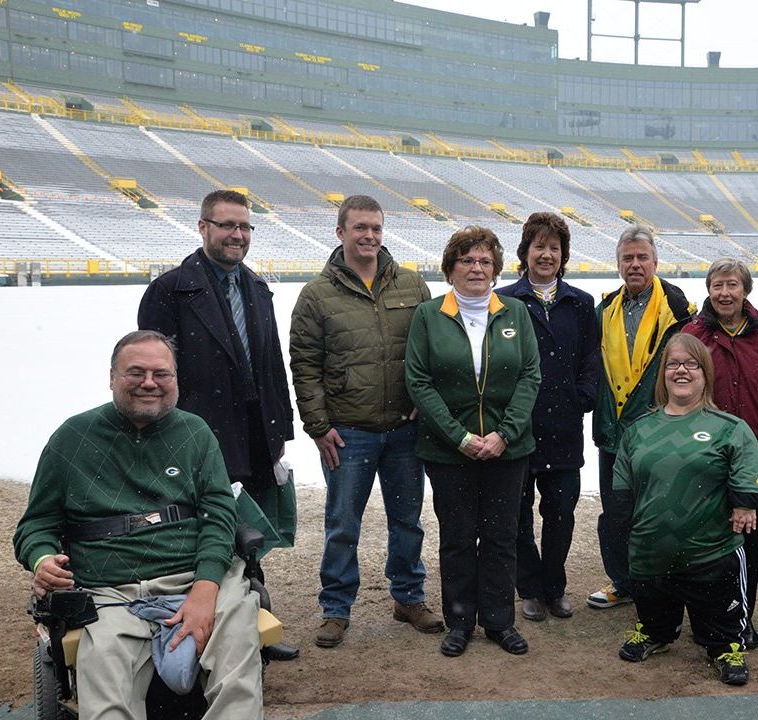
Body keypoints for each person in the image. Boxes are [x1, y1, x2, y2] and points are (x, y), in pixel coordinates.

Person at [13, 330, 263, 719]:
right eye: (136, 373)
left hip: (196, 576)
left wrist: (205, 588)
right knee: (107, 691)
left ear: (176, 379)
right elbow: (37, 524)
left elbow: (219, 516)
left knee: (236, 670)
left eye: (161, 374)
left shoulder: (195, 433)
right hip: (109, 590)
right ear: (112, 377)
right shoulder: (72, 438)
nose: (150, 383)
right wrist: (42, 558)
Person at [138, 189, 298, 660]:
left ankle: (249, 628)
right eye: (227, 225)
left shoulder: (257, 288)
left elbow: (272, 364)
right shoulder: (169, 291)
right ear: (203, 227)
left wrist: (279, 434)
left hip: (253, 435)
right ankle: (198, 633)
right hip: (196, 437)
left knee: (249, 537)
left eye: (245, 227)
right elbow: (154, 374)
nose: (238, 235)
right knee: (203, 534)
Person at [289, 195, 443, 648]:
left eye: (375, 228)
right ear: (340, 233)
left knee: (408, 519)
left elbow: (429, 350)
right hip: (348, 432)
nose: (369, 236)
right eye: (360, 228)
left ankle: (409, 597)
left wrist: (422, 399)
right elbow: (305, 365)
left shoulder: (412, 286)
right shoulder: (317, 295)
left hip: (403, 430)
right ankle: (335, 609)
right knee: (342, 523)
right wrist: (318, 426)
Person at [405, 226, 541, 657]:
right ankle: (460, 621)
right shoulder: (429, 315)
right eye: (466, 260)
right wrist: (460, 437)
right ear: (450, 269)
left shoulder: (516, 312)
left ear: (497, 270)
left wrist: (504, 433)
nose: (476, 268)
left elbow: (530, 375)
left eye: (484, 261)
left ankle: (500, 622)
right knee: (459, 536)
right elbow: (419, 380)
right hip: (448, 451)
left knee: (502, 536)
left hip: (509, 449)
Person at [611, 334, 758, 686]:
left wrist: (745, 502)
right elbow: (622, 481)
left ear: (705, 373)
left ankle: (726, 647)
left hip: (710, 550)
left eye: (691, 364)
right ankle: (655, 634)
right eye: (673, 364)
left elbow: (747, 468)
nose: (682, 371)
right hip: (651, 550)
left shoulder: (728, 428)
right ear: (662, 374)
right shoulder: (638, 430)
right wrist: (623, 520)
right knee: (653, 602)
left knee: (719, 612)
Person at [682, 257, 758, 649]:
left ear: (745, 290)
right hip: (706, 455)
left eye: (732, 285)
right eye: (717, 286)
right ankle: (707, 619)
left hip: (757, 457)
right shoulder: (694, 335)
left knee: (746, 546)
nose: (724, 293)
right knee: (707, 544)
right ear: (708, 290)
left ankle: (740, 619)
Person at [495, 212, 600, 622]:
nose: (546, 254)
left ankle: (555, 587)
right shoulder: (504, 301)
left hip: (564, 425)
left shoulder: (580, 303)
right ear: (524, 253)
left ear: (563, 255)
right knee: (517, 513)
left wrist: (583, 396)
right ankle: (530, 587)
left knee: (560, 511)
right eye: (539, 246)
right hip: (517, 428)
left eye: (554, 248)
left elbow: (591, 358)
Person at [590, 225, 695, 610]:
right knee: (616, 511)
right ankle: (623, 580)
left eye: (642, 258)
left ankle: (664, 581)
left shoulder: (679, 310)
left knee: (662, 510)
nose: (635, 265)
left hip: (659, 430)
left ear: (655, 261)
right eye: (627, 258)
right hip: (613, 432)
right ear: (618, 264)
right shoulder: (603, 310)